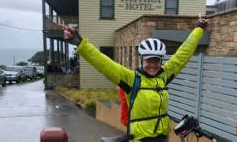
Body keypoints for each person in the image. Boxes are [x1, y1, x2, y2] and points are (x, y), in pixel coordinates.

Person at [62, 15, 208, 142]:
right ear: (142, 60)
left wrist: (198, 29)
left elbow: (183, 53)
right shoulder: (131, 79)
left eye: (156, 61)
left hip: (163, 137)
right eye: (148, 61)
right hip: (141, 139)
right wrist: (80, 43)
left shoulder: (164, 75)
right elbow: (103, 63)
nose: (152, 65)